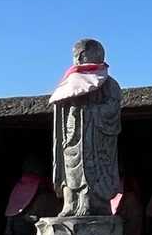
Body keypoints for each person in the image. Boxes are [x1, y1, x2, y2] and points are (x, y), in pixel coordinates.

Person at [49, 38, 123, 217]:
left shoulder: (108, 83)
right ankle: (70, 202)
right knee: (69, 169)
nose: (78, 59)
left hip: (95, 138)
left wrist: (90, 111)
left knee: (92, 168)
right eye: (76, 55)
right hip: (72, 135)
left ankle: (91, 202)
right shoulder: (69, 81)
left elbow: (112, 109)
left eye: (82, 54)